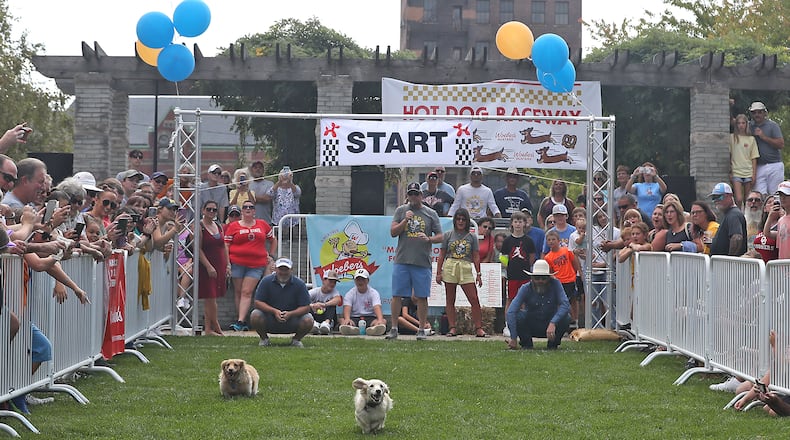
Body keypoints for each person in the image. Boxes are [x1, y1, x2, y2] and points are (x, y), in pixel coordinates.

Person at [385, 182, 443, 341]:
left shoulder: (430, 213)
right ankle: (394, 328)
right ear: (408, 196)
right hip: (402, 259)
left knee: (422, 296)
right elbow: (392, 232)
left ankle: (422, 329)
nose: (413, 197)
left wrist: (429, 239)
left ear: (421, 196)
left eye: (416, 194)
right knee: (396, 295)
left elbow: (440, 236)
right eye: (410, 194)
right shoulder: (401, 211)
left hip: (422, 261)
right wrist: (404, 221)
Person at [224, 200, 277, 332]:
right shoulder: (234, 226)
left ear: (254, 211)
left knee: (246, 292)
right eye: (245, 207)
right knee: (238, 292)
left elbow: (273, 239)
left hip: (256, 264)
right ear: (242, 211)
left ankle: (240, 321)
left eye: (251, 207)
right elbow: (226, 245)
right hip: (237, 262)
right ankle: (242, 319)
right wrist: (227, 263)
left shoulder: (262, 224)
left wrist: (271, 255)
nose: (248, 209)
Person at [436, 208, 487, 338]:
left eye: (463, 219)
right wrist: (438, 272)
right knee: (450, 299)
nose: (460, 221)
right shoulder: (448, 235)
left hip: (465, 266)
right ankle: (452, 327)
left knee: (474, 299)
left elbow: (476, 256)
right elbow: (441, 254)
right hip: (450, 265)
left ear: (467, 221)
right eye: (458, 219)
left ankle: (478, 328)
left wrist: (479, 274)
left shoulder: (472, 237)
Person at [505, 259, 571, 350]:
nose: (540, 281)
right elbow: (511, 312)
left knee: (566, 318)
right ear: (532, 278)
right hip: (531, 324)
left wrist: (553, 322)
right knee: (518, 316)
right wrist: (513, 337)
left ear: (549, 278)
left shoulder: (556, 284)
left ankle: (553, 344)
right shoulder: (525, 288)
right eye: (537, 278)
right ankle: (526, 343)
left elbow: (565, 305)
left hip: (551, 325)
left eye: (543, 278)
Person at [249, 257, 313, 347]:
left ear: (291, 270)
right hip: (270, 319)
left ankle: (296, 340)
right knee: (255, 315)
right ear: (275, 269)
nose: (283, 272)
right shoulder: (266, 281)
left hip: (292, 320)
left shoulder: (300, 284)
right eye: (280, 269)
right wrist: (274, 311)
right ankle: (264, 339)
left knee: (308, 319)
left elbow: (306, 307)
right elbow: (258, 302)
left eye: (286, 269)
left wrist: (291, 314)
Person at [499, 211, 536, 337]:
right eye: (516, 221)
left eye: (520, 221)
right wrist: (506, 269)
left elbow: (531, 257)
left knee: (525, 300)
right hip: (512, 275)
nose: (518, 224)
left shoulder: (528, 241)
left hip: (525, 275)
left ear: (525, 223)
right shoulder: (507, 241)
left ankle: (524, 325)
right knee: (510, 299)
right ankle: (508, 325)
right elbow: (503, 258)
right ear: (512, 224)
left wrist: (527, 269)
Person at [197, 200, 228, 336]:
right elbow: (197, 249)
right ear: (203, 210)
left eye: (214, 210)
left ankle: (208, 328)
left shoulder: (218, 226)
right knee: (210, 296)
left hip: (219, 263)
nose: (211, 212)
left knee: (213, 297)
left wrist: (228, 264)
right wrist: (208, 266)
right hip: (206, 265)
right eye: (208, 209)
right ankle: (216, 327)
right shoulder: (199, 226)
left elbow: (224, 246)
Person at [543, 229, 582, 325]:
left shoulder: (566, 251)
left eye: (553, 239)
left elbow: (574, 262)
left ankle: (575, 320)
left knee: (573, 300)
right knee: (562, 303)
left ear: (559, 240)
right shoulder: (548, 257)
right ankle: (564, 321)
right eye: (549, 240)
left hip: (570, 280)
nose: (551, 241)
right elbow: (550, 272)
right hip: (559, 282)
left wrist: (576, 273)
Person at [748, 102, 785, 195]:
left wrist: (763, 137)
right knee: (759, 195)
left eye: (759, 112)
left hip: (774, 165)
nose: (757, 115)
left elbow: (781, 144)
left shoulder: (773, 125)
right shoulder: (749, 126)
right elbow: (735, 122)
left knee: (775, 195)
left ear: (765, 113)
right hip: (759, 166)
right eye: (754, 112)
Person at [338, 268, 387, 336]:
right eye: (358, 279)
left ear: (368, 280)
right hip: (355, 317)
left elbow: (377, 307)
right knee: (343, 321)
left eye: (363, 279)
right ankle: (351, 329)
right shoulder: (350, 293)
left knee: (383, 321)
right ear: (355, 281)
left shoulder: (374, 293)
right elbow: (347, 308)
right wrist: (347, 319)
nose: (360, 282)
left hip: (370, 317)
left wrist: (380, 320)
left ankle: (373, 329)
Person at [730, 114, 760, 207]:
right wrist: (730, 171)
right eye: (739, 123)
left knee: (748, 199)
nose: (741, 125)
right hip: (736, 171)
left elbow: (754, 158)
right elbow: (729, 156)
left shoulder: (751, 139)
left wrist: (754, 175)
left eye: (743, 123)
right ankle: (738, 215)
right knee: (738, 199)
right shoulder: (731, 138)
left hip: (748, 171)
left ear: (746, 124)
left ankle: (747, 218)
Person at [709, 183, 747, 256]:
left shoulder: (734, 214)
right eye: (713, 197)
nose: (716, 200)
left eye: (719, 197)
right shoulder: (730, 214)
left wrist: (729, 261)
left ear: (730, 196)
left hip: (727, 265)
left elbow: (737, 238)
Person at [308, 269, 342, 335]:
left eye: (334, 282)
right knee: (306, 306)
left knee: (332, 304)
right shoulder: (315, 291)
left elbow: (338, 300)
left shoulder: (334, 292)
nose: (332, 284)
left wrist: (324, 304)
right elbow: (302, 300)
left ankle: (326, 324)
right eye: (330, 281)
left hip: (328, 317)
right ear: (324, 280)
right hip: (315, 316)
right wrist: (313, 306)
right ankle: (313, 323)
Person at [763, 181, 790, 259]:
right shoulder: (781, 220)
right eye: (781, 195)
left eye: (786, 195)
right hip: (782, 265)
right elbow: (767, 233)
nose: (783, 198)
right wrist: (770, 217)